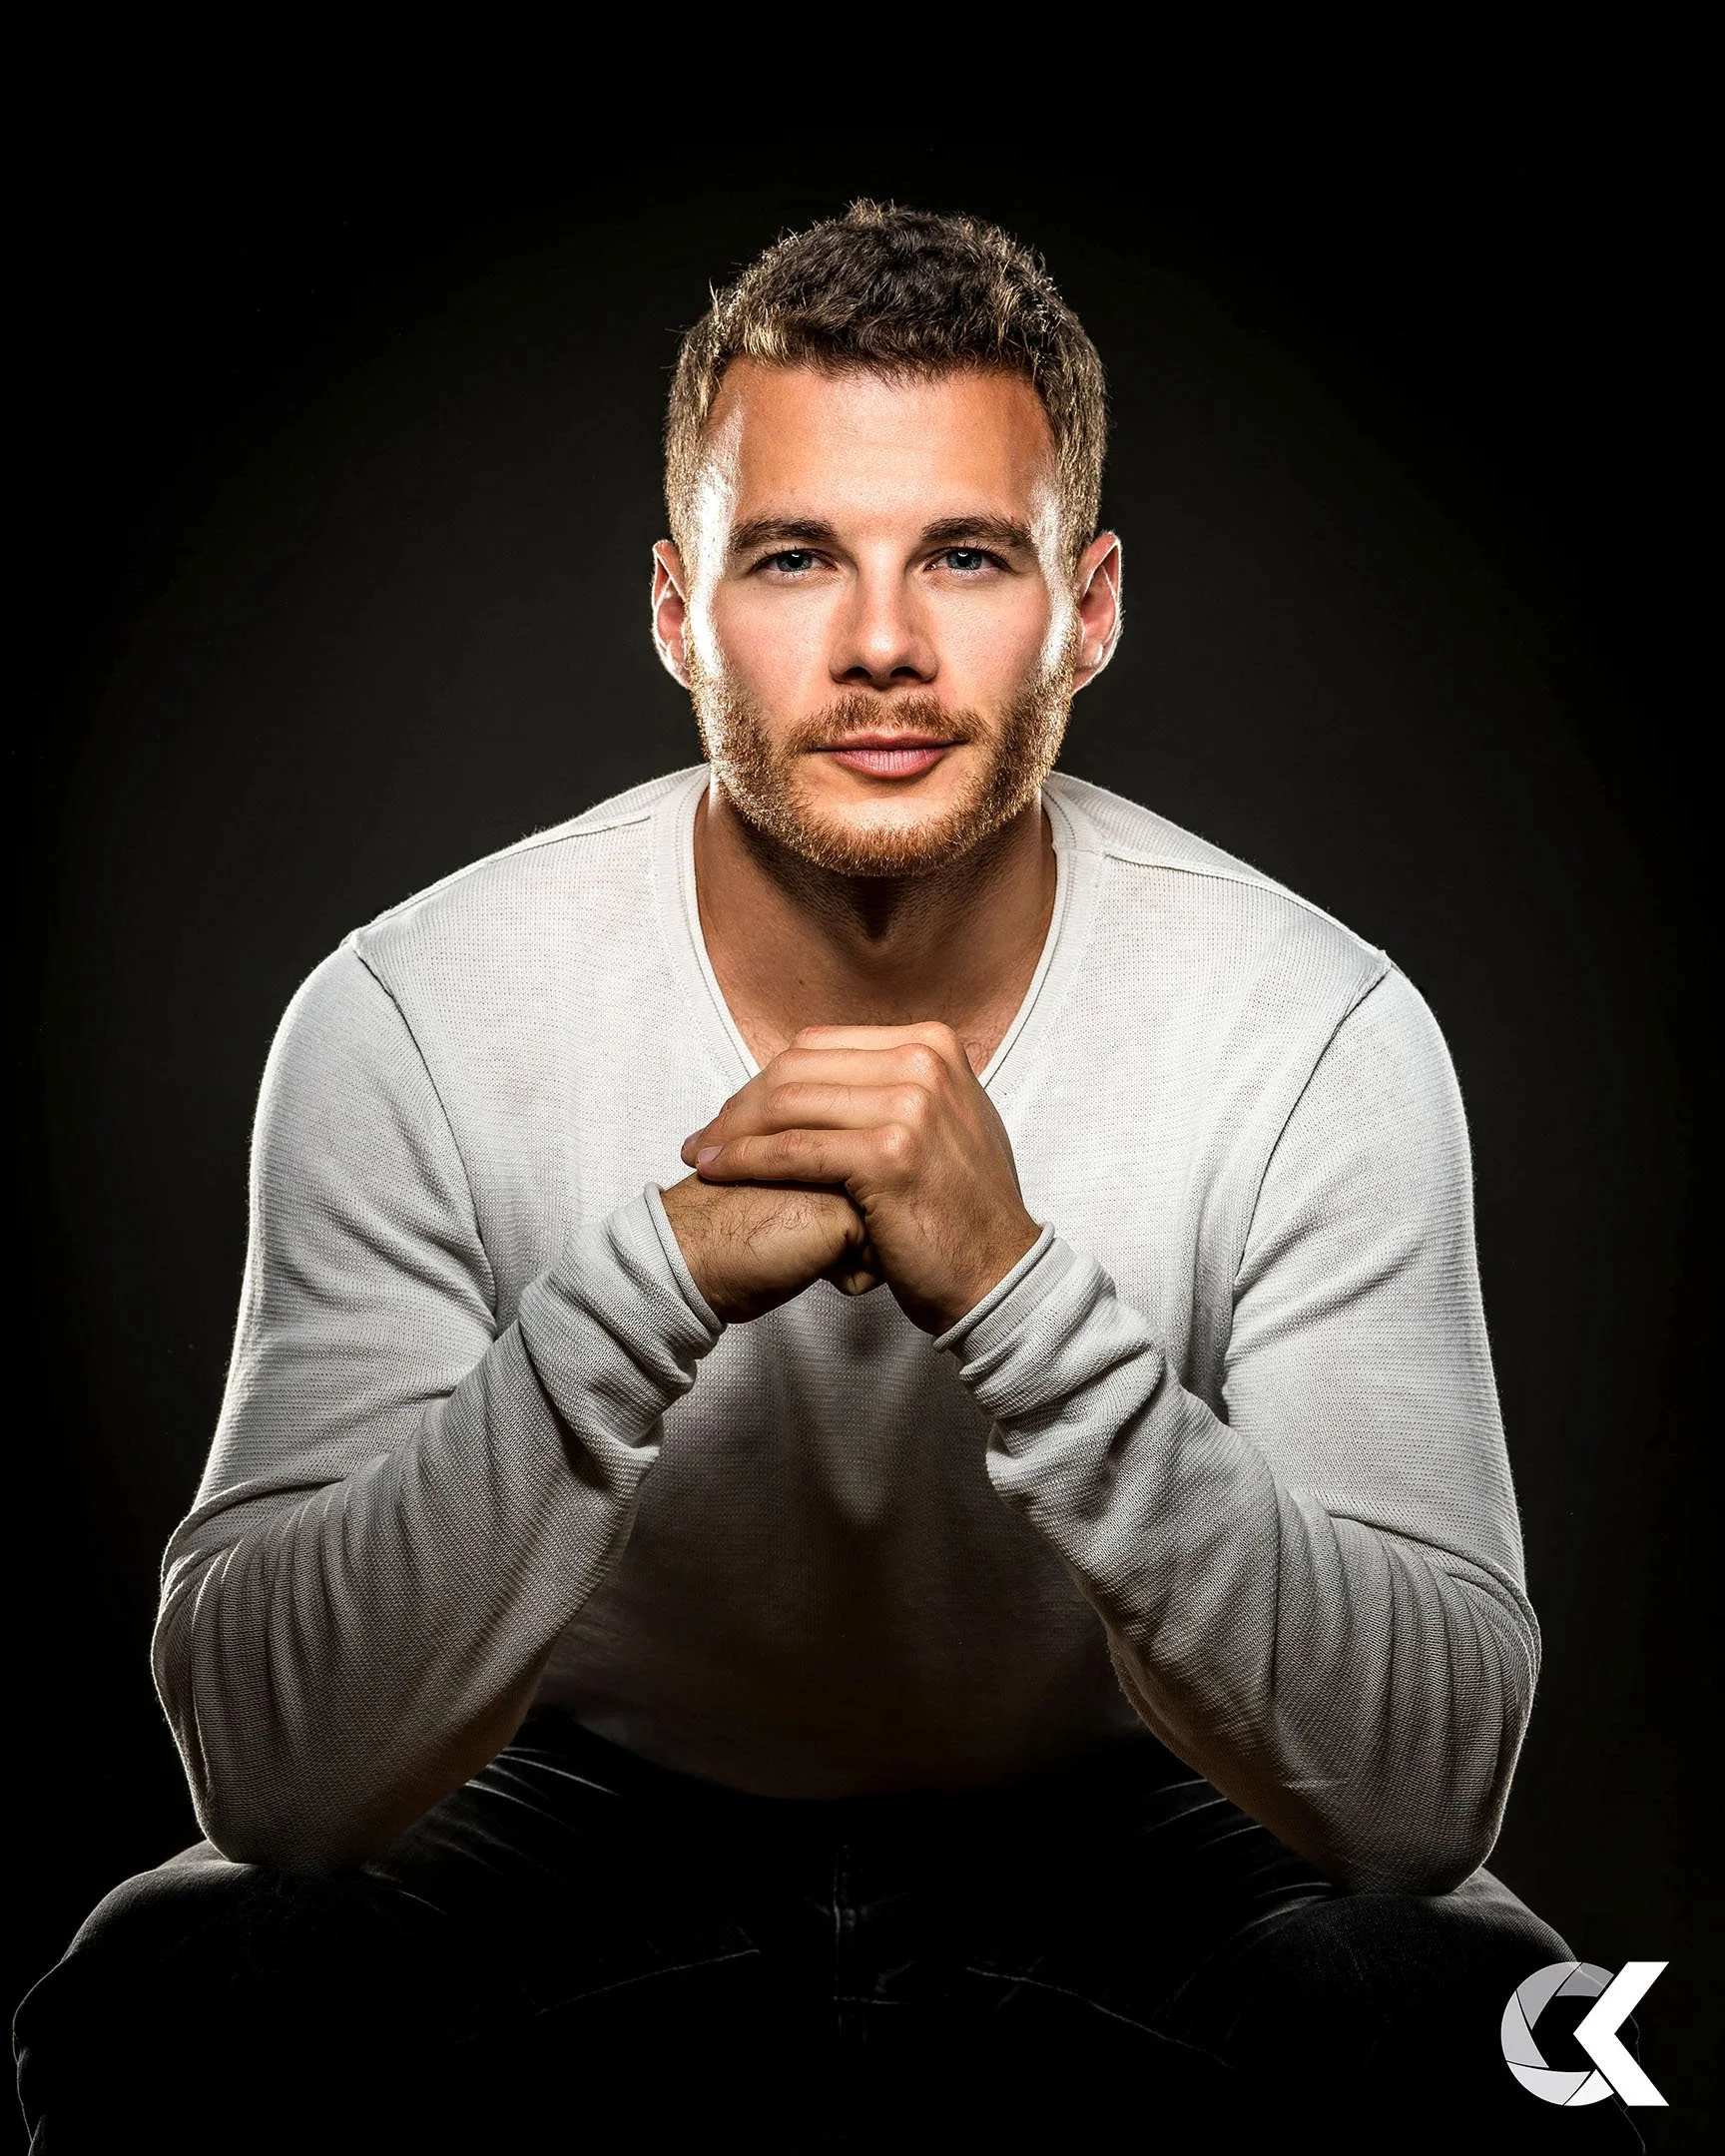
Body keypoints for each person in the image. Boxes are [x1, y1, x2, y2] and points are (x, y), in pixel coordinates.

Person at [14, 202, 1644, 2151]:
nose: (882, 644)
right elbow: (269, 1785)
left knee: (1541, 2040)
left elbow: (1425, 1802)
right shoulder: (415, 1013)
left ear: (1091, 606)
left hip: (1127, 1820)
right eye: (795, 560)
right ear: (678, 612)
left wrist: (1025, 1303)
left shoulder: (1312, 1030)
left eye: (966, 555)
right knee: (168, 1991)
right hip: (590, 1818)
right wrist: (648, 1289)